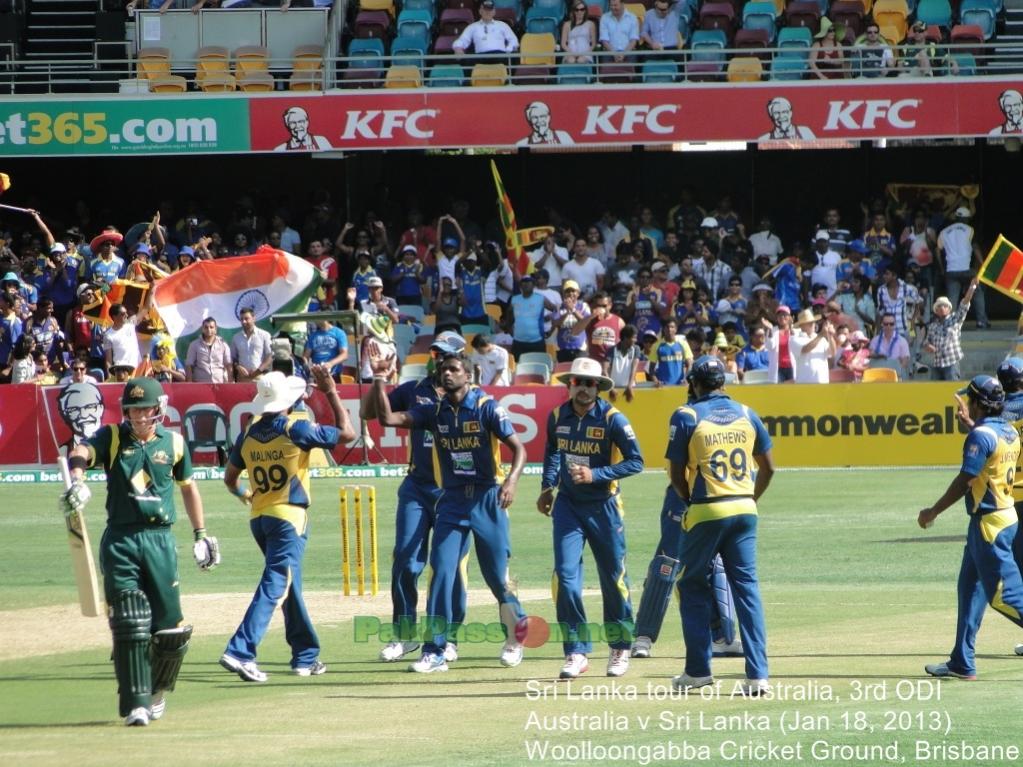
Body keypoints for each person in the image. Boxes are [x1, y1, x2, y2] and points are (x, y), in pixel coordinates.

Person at [61, 377, 216, 726]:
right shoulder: (114, 437)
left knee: (170, 631)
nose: (138, 415)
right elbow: (82, 450)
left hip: (160, 540)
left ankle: (157, 691)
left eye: (144, 408)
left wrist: (201, 533)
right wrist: (78, 479)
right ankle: (136, 704)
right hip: (121, 539)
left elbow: (189, 489)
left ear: (158, 409)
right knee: (130, 620)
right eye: (131, 409)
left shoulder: (173, 443)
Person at [372, 353, 529, 673]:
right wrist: (378, 379)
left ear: (468, 375)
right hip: (453, 501)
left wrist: (511, 481)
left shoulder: (487, 407)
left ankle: (515, 636)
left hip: (487, 499)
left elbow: (519, 449)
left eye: (453, 369)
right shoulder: (435, 411)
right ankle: (435, 650)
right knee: (441, 571)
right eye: (442, 370)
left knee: (498, 578)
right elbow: (388, 420)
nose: (446, 374)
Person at [221, 365, 356, 682]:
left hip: (260, 518)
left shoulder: (249, 433)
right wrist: (332, 392)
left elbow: (230, 479)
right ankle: (241, 651)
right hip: (289, 518)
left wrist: (246, 495)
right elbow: (348, 434)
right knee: (276, 586)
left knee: (287, 586)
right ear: (287, 401)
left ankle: (305, 656)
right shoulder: (296, 428)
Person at [667, 355, 775, 693]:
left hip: (707, 510)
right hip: (744, 509)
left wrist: (689, 500)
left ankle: (698, 671)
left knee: (692, 586)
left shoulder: (687, 415)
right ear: (723, 383)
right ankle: (758, 676)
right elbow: (769, 467)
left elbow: (675, 472)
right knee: (747, 590)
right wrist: (749, 498)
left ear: (695, 384)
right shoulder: (747, 413)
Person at [362, 333, 469, 663]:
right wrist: (378, 379)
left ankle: (448, 636)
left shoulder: (470, 396)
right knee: (406, 561)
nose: (438, 361)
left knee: (447, 568)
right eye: (435, 354)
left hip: (455, 491)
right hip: (418, 487)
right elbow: (370, 413)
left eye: (445, 356)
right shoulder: (414, 390)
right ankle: (405, 634)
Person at [537, 357, 644, 679]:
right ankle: (576, 651)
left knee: (613, 579)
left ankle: (620, 645)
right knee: (566, 578)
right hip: (568, 506)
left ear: (598, 387)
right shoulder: (557, 416)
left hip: (604, 506)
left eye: (590, 383)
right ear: (571, 384)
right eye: (578, 382)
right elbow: (553, 451)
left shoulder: (613, 419)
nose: (583, 388)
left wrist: (596, 473)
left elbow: (636, 462)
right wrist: (547, 487)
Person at [918, 375, 1023, 680]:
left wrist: (932, 511)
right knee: (969, 590)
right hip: (1000, 520)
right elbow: (990, 447)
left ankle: (962, 661)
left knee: (1006, 596)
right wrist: (972, 425)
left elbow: (966, 480)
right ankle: (962, 662)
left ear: (976, 403)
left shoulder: (980, 436)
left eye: (971, 400)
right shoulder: (1007, 431)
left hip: (989, 526)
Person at [923, 279, 977, 381]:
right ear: (936, 310)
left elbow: (965, 303)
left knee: (952, 390)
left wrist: (972, 287)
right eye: (939, 306)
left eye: (945, 305)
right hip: (937, 363)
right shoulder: (932, 326)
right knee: (935, 392)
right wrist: (927, 346)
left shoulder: (955, 319)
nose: (942, 307)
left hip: (951, 362)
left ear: (949, 309)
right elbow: (926, 342)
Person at [452, 0, 519, 64]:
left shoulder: (502, 25)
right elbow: (462, 40)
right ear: (480, 11)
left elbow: (513, 40)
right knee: (468, 59)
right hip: (480, 56)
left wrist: (507, 51)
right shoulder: (473, 27)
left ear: (494, 12)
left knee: (512, 58)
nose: (487, 12)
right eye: (485, 10)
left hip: (499, 55)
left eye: (490, 10)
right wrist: (458, 48)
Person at [231, 306, 273, 382]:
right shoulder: (236, 338)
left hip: (260, 377)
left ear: (253, 318)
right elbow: (233, 358)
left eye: (246, 319)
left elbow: (269, 357)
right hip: (242, 377)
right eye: (242, 319)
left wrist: (258, 371)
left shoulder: (264, 335)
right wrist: (238, 367)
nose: (244, 321)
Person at [185, 317, 233, 383]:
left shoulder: (223, 344)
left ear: (216, 329)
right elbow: (189, 365)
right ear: (202, 329)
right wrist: (189, 383)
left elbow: (228, 364)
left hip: (220, 383)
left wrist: (230, 383)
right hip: (200, 384)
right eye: (206, 327)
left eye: (211, 327)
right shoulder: (194, 345)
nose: (209, 329)